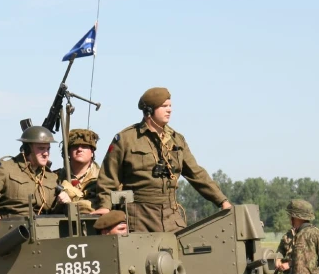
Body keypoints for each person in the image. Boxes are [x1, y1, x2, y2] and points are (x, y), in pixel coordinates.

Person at [94, 87, 232, 232]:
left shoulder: (177, 140)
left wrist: (222, 201)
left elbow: (196, 174)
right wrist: (104, 206)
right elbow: (108, 177)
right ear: (149, 110)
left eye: (170, 106)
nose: (169, 110)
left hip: (171, 216)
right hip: (139, 218)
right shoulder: (126, 139)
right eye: (164, 106)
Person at [0, 126, 59, 230]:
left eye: (48, 149)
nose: (46, 153)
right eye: (41, 148)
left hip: (44, 230)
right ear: (28, 149)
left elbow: (55, 209)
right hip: (11, 230)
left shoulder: (51, 177)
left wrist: (63, 201)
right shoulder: (6, 169)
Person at [54, 129, 101, 214]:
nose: (79, 149)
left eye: (84, 146)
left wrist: (72, 201)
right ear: (68, 152)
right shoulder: (56, 177)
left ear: (92, 152)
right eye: (75, 146)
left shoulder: (103, 177)